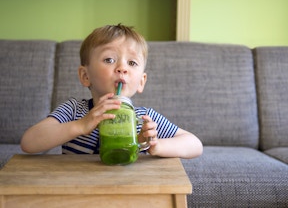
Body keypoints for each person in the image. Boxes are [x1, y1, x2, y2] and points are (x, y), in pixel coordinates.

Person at [21, 24, 203, 159]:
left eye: (132, 63)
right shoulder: (75, 111)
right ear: (85, 76)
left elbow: (195, 145)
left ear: (141, 81)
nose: (122, 68)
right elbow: (29, 143)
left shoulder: (143, 118)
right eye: (109, 59)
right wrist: (80, 126)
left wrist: (156, 145)